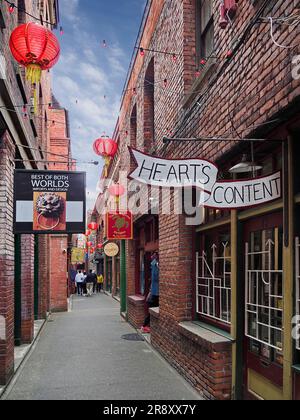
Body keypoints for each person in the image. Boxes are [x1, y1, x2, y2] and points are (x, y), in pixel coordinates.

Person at [142, 252, 159, 334]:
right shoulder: (154, 264)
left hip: (155, 291)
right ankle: (145, 326)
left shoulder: (155, 264)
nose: (153, 256)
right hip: (155, 292)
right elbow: (155, 278)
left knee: (153, 309)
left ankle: (146, 326)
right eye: (155, 255)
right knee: (152, 309)